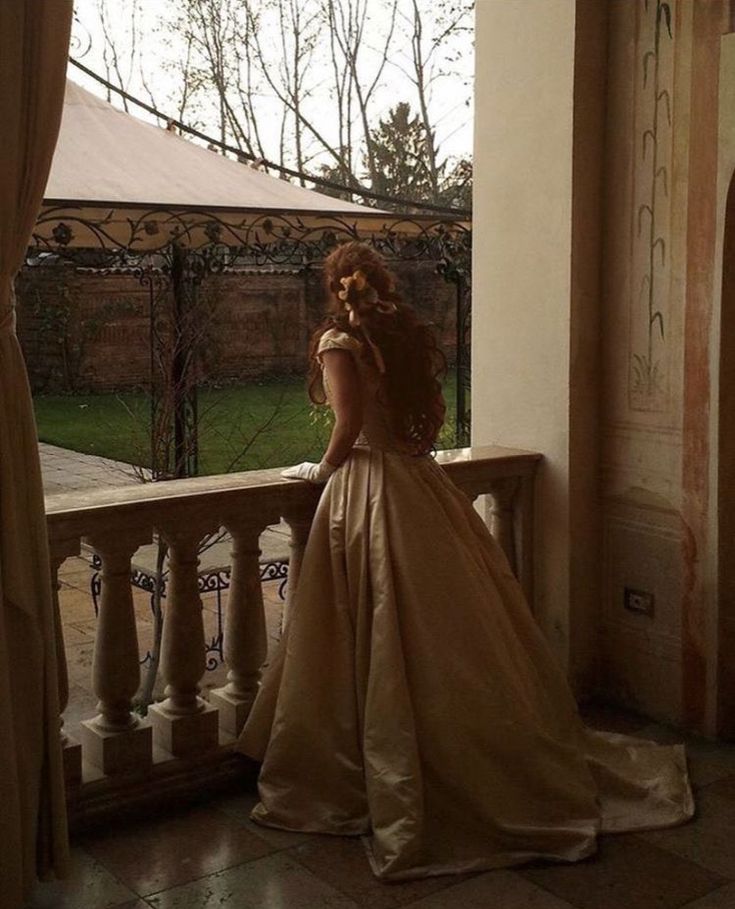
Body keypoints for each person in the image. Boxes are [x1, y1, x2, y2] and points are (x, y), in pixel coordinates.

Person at [235, 241, 694, 881]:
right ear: (376, 282)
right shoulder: (396, 334)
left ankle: (390, 765)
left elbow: (347, 424)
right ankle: (450, 750)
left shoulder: (339, 341)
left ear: (335, 287)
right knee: (441, 627)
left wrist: (321, 468)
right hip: (418, 485)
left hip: (368, 493)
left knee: (372, 623)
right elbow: (416, 429)